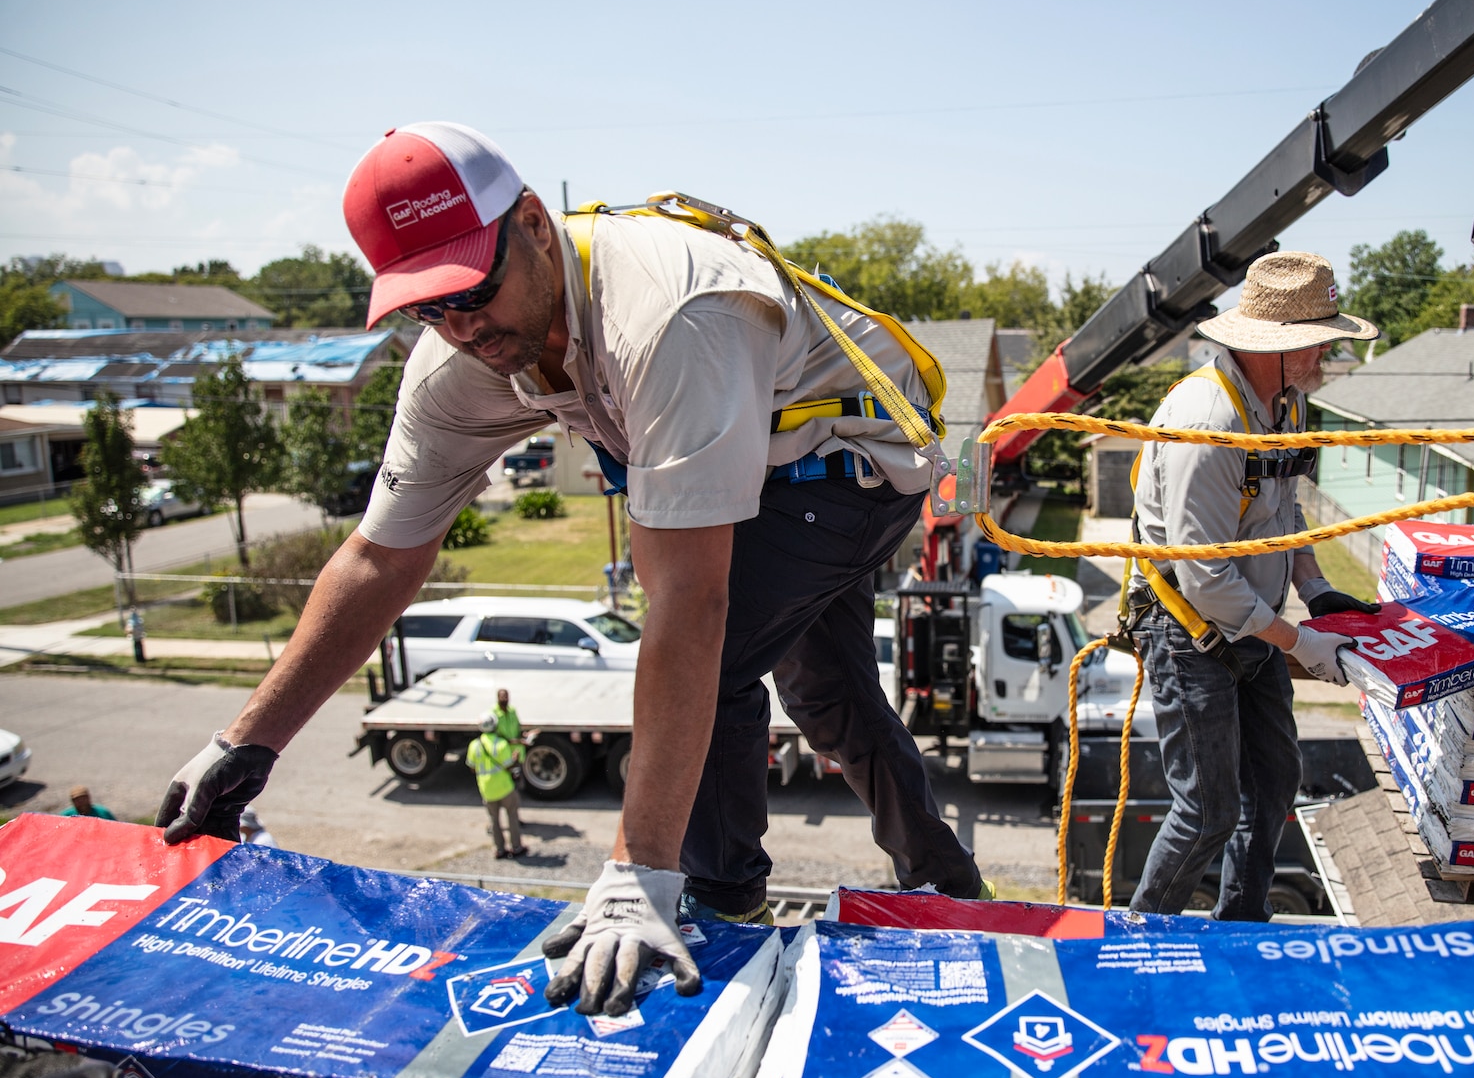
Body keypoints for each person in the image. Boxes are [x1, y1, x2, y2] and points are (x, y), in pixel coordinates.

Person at [155, 122, 985, 1017]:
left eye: (474, 290)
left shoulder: (674, 315)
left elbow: (689, 604)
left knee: (724, 659)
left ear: (535, 225)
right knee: (827, 695)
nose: (463, 327)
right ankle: (948, 886)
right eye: (426, 308)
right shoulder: (457, 366)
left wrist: (637, 874)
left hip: (857, 465)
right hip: (769, 466)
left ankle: (718, 906)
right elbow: (380, 557)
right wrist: (247, 743)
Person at [1121, 251, 1379, 921]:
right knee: (1207, 811)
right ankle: (1134, 942)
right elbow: (1204, 576)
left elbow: (1280, 511)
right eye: (1319, 341)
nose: (1327, 352)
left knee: (1273, 783)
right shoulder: (1208, 423)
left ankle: (1242, 925)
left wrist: (1316, 587)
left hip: (1253, 621)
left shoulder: (1283, 405)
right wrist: (1300, 641)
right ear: (1282, 347)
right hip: (1190, 629)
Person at [465, 715, 527, 860]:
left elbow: (472, 767)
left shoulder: (474, 745)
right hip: (505, 788)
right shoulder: (501, 744)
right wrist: (515, 758)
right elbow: (508, 765)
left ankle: (499, 849)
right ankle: (516, 847)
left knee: (494, 821)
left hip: (487, 790)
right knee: (512, 817)